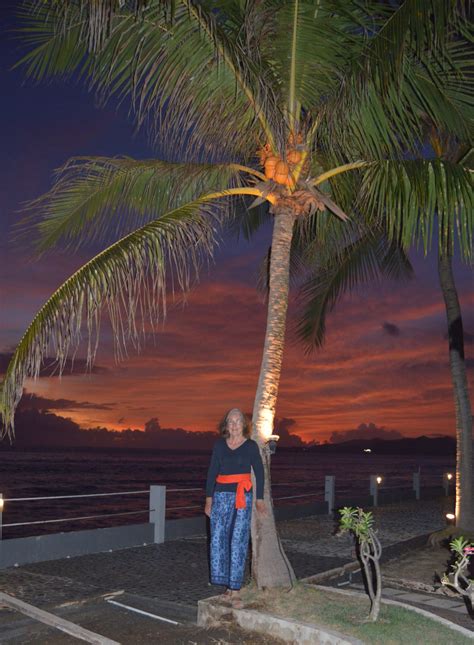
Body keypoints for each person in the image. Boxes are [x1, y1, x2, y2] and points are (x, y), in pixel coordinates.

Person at [205, 408, 266, 605]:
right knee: (218, 539)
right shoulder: (219, 446)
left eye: (237, 420)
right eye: (230, 421)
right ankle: (226, 585)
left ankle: (235, 588)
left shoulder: (250, 446)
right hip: (220, 496)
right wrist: (208, 499)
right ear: (226, 425)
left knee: (238, 540)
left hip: (242, 497)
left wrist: (259, 498)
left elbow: (259, 471)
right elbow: (212, 472)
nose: (234, 424)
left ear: (244, 424)